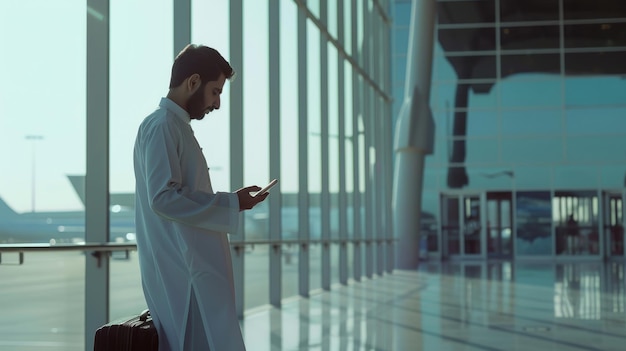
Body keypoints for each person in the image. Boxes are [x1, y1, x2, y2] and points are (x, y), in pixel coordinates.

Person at [133, 44, 267, 351]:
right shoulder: (162, 126)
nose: (217, 103)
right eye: (215, 91)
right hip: (183, 273)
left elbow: (179, 195)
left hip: (192, 269)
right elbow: (163, 199)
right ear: (193, 82)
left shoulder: (174, 126)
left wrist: (233, 201)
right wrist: (231, 203)